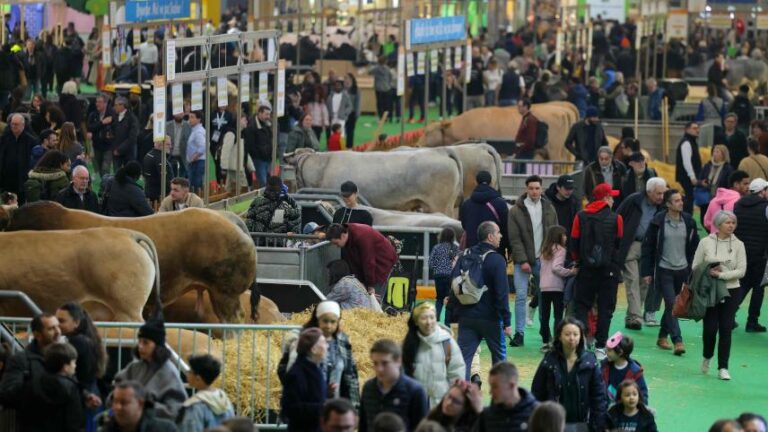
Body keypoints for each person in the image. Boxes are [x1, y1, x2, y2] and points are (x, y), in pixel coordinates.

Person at [450, 221, 512, 378]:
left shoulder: (464, 254)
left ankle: (462, 396)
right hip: (490, 318)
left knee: (463, 360)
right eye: (498, 233)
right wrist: (507, 321)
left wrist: (454, 312)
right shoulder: (497, 260)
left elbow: (454, 284)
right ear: (490, 237)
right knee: (499, 360)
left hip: (466, 316)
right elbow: (501, 293)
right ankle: (500, 396)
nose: (501, 236)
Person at [641, 189, 699, 354]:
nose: (680, 203)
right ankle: (678, 341)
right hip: (664, 270)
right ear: (667, 204)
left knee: (670, 306)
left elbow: (695, 245)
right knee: (672, 304)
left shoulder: (689, 221)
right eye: (676, 201)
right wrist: (646, 272)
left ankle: (662, 336)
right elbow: (648, 248)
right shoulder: (657, 222)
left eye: (681, 200)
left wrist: (694, 266)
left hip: (682, 270)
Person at [569, 183, 623, 356]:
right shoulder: (616, 218)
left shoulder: (580, 216)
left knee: (582, 306)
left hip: (586, 268)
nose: (613, 200)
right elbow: (618, 244)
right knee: (606, 308)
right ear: (605, 198)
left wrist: (578, 261)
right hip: (609, 270)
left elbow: (574, 243)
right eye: (611, 196)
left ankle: (583, 341)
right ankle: (601, 346)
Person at [693, 210, 746, 380]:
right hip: (710, 291)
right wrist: (709, 271)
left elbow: (741, 270)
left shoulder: (739, 244)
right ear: (718, 224)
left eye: (733, 223)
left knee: (726, 328)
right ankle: (707, 355)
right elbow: (695, 266)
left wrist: (722, 275)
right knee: (709, 329)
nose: (731, 226)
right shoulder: (705, 242)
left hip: (732, 290)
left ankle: (723, 367)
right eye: (727, 222)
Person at [278, 301, 361, 407]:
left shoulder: (342, 341)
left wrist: (353, 407)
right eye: (325, 321)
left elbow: (350, 376)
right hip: (306, 405)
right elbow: (287, 370)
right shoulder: (301, 339)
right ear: (317, 320)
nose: (328, 326)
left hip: (334, 407)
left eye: (333, 322)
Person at [531, 318, 607, 431]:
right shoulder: (549, 361)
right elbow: (537, 393)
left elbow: (599, 397)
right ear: (559, 336)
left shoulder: (590, 362)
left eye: (575, 334)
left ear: (581, 337)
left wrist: (596, 426)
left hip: (582, 424)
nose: (572, 338)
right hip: (553, 425)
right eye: (567, 334)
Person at [508, 175, 558, 346]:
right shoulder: (515, 211)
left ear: (541, 189)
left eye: (537, 188)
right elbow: (514, 239)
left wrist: (551, 256)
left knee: (545, 297)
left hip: (544, 259)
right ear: (526, 189)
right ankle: (519, 333)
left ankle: (545, 332)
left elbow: (555, 235)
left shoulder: (550, 208)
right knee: (521, 296)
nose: (534, 191)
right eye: (531, 188)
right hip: (522, 261)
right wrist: (522, 260)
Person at [617, 177, 667, 330]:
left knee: (644, 283)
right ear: (649, 191)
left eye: (663, 193)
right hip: (631, 245)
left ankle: (631, 316)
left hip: (649, 248)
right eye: (658, 193)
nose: (661, 197)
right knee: (632, 281)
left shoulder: (663, 206)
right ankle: (636, 317)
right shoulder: (633, 201)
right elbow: (618, 218)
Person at [112, 319, 187, 419]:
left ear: (157, 346)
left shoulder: (169, 372)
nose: (140, 347)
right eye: (139, 342)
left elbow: (174, 409)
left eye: (145, 343)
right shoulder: (134, 367)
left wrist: (144, 407)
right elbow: (116, 388)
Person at [0, 313, 63, 430]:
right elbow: (7, 393)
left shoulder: (64, 357)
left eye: (58, 326)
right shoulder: (21, 360)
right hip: (32, 424)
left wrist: (85, 394)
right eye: (51, 329)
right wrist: (36, 385)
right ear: (37, 335)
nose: (58, 331)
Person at [401, 303, 465, 407]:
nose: (428, 322)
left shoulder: (447, 342)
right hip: (416, 404)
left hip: (442, 404)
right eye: (424, 318)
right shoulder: (408, 345)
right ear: (416, 321)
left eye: (432, 317)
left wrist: (454, 398)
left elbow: (457, 371)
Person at [359, 339, 428, 432]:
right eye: (375, 363)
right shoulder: (368, 388)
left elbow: (421, 428)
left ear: (398, 361)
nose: (379, 369)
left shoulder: (415, 391)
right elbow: (363, 425)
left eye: (385, 363)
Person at [55, 302, 106, 420]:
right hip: (89, 394)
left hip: (85, 398)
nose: (57, 325)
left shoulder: (78, 342)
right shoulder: (87, 339)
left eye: (61, 321)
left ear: (76, 323)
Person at [326, 223, 398, 303]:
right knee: (366, 294)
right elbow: (354, 262)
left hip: (382, 262)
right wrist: (360, 281)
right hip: (371, 264)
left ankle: (375, 310)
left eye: (336, 243)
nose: (337, 246)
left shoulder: (362, 236)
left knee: (373, 297)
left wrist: (371, 286)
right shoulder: (348, 236)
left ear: (343, 236)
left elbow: (369, 262)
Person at [733, 178, 768, 332]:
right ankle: (752, 322)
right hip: (760, 254)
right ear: (762, 191)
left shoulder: (738, 205)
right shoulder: (765, 207)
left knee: (743, 284)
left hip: (741, 252)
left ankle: (729, 314)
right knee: (758, 288)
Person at [27, 342, 84, 432]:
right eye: (74, 362)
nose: (75, 366)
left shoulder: (35, 382)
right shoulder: (70, 387)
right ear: (65, 367)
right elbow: (74, 420)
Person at [539, 225, 576, 352]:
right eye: (564, 235)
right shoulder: (560, 249)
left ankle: (545, 341)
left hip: (544, 286)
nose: (566, 237)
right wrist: (570, 272)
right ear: (558, 236)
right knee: (558, 316)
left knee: (545, 315)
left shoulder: (544, 249)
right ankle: (556, 341)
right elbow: (556, 267)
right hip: (556, 286)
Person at [474, 362, 538, 432]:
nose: (490, 392)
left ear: (511, 386)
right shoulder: (486, 416)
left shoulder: (537, 414)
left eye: (495, 387)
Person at [178, 354, 235, 431]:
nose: (187, 373)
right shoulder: (224, 399)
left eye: (190, 371)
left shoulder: (195, 406)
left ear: (198, 378)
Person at [458, 171, 510, 255]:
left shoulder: (466, 204)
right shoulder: (500, 203)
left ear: (476, 182)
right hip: (495, 251)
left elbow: (464, 225)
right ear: (491, 182)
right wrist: (507, 249)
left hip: (472, 252)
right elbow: (506, 228)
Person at [98, 381, 179, 431]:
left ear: (140, 404)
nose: (118, 407)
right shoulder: (107, 429)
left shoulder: (165, 429)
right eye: (115, 402)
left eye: (124, 402)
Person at [600, 332, 648, 406]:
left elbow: (643, 394)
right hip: (606, 409)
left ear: (620, 352)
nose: (606, 352)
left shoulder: (635, 371)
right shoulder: (605, 366)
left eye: (609, 350)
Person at [0, 113, 38, 201]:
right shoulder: (4, 139)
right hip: (6, 179)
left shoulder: (31, 141)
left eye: (16, 124)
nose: (13, 126)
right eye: (12, 124)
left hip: (22, 179)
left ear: (23, 125)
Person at [699, 145, 736, 226]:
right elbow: (700, 179)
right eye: (714, 152)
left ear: (723, 154)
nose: (714, 154)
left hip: (720, 199)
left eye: (717, 152)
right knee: (704, 220)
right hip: (706, 198)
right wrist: (702, 182)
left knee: (718, 220)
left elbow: (729, 185)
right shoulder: (707, 165)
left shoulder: (728, 168)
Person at [429, 227, 460, 320]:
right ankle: (447, 323)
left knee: (439, 299)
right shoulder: (455, 248)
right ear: (452, 237)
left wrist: (436, 270)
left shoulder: (436, 247)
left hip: (438, 276)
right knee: (449, 300)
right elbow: (459, 261)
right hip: (451, 277)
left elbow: (430, 263)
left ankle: (436, 320)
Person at [242, 104, 273, 188]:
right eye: (266, 114)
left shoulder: (267, 124)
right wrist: (258, 155)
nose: (268, 116)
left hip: (268, 158)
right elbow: (250, 145)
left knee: (267, 180)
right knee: (263, 181)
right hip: (259, 159)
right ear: (259, 113)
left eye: (269, 114)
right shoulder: (252, 126)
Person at [676, 121, 703, 214]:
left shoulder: (691, 142)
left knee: (690, 199)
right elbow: (686, 162)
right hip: (686, 177)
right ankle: (687, 219)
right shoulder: (686, 143)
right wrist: (692, 176)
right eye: (694, 128)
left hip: (688, 177)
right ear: (687, 130)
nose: (697, 130)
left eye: (698, 128)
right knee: (688, 200)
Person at [87, 94, 116, 178]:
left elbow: (116, 128)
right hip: (96, 145)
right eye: (96, 101)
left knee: (105, 168)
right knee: (99, 168)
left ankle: (106, 187)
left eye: (99, 102)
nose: (97, 104)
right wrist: (102, 123)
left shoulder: (112, 114)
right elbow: (90, 127)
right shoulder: (93, 114)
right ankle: (104, 183)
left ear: (105, 103)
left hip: (108, 146)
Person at [142, 135, 174, 206]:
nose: (170, 146)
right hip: (159, 196)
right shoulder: (160, 159)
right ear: (160, 145)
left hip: (148, 191)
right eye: (168, 144)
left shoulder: (148, 154)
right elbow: (165, 179)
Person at [220, 128, 253, 195]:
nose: (246, 121)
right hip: (235, 167)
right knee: (242, 187)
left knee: (230, 188)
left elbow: (245, 152)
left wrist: (251, 166)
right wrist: (224, 167)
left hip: (238, 166)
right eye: (244, 120)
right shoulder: (231, 134)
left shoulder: (242, 134)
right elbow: (225, 151)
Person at [112, 97, 139, 170]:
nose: (114, 107)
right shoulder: (115, 117)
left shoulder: (132, 118)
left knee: (129, 175)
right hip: (116, 152)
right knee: (117, 176)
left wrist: (119, 150)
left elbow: (132, 138)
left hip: (128, 153)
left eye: (116, 105)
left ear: (122, 105)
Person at [186, 110, 207, 194]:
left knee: (195, 184)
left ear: (198, 119)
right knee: (194, 184)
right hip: (195, 162)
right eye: (189, 117)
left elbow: (203, 146)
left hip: (197, 162)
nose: (189, 119)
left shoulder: (198, 131)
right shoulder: (194, 130)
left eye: (192, 117)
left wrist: (195, 156)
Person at [513, 99, 539, 163]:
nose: (518, 108)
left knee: (521, 171)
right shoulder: (526, 118)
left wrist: (521, 147)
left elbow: (531, 139)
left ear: (526, 107)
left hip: (525, 153)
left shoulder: (530, 119)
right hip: (523, 152)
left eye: (520, 106)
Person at [166, 112, 191, 179]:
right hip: (169, 156)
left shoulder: (188, 126)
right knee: (169, 177)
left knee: (181, 178)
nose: (179, 115)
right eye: (177, 112)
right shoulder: (167, 125)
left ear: (183, 113)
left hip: (183, 157)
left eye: (180, 113)